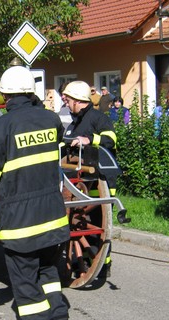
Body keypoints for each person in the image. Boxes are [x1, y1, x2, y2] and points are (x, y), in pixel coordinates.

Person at [0, 66, 71, 320]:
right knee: (49, 271)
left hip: (21, 221)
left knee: (25, 280)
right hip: (52, 216)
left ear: (4, 94)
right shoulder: (52, 120)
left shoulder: (1, 127)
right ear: (31, 91)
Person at [62, 81, 117, 278]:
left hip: (99, 183)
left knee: (97, 225)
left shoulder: (97, 118)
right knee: (82, 226)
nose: (66, 103)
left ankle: (103, 265)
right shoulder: (74, 123)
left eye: (68, 100)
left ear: (78, 101)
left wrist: (89, 140)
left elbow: (111, 139)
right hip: (80, 185)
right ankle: (84, 260)